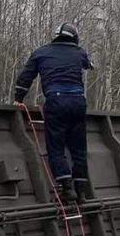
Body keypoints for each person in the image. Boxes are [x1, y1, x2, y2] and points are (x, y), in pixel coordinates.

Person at [14, 23, 94, 203]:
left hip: (56, 101)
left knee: (56, 147)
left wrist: (18, 98)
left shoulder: (41, 52)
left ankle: (66, 188)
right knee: (79, 149)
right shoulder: (79, 52)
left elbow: (26, 76)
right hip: (78, 102)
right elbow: (88, 64)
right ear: (74, 37)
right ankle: (81, 191)